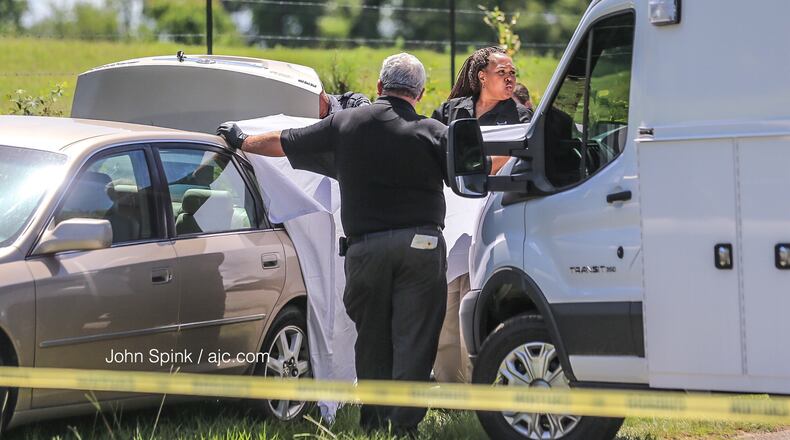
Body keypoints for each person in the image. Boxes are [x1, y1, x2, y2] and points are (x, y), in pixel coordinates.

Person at [217, 53, 448, 436]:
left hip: (365, 249)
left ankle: (373, 422)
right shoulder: (433, 131)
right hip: (421, 247)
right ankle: (403, 427)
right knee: (415, 337)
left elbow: (283, 143)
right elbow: (469, 176)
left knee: (372, 338)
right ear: (420, 93)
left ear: (378, 87)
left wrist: (241, 138)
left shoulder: (346, 123)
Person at [430, 46, 532, 385]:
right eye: (502, 72)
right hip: (449, 217)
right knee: (445, 305)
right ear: (482, 77)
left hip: (490, 216)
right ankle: (448, 386)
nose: (509, 78)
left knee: (472, 301)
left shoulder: (519, 116)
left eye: (512, 73)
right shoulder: (450, 110)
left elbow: (511, 159)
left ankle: (478, 386)